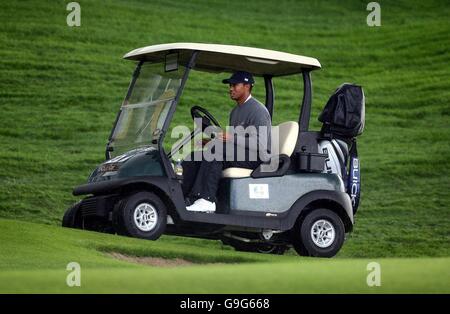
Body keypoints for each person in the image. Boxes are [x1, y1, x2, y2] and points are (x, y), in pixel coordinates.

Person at [181, 71, 272, 212]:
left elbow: (260, 144)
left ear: (247, 86)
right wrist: (212, 142)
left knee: (216, 150)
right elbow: (234, 144)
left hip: (258, 157)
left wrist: (229, 138)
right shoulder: (235, 112)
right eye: (230, 85)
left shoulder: (258, 111)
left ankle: (207, 200)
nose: (231, 88)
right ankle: (186, 199)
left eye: (235, 85)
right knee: (193, 157)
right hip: (242, 154)